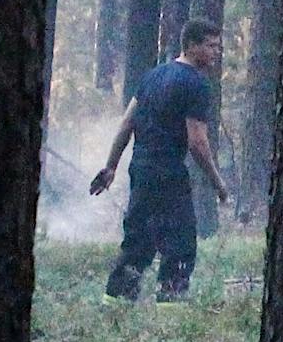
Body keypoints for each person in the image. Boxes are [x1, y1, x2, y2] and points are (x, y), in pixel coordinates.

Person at [92, 18, 230, 301]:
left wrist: (111, 166)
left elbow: (126, 124)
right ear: (191, 45)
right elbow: (197, 142)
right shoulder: (196, 84)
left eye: (218, 46)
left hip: (141, 170)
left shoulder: (153, 76)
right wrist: (218, 183)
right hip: (169, 173)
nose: (217, 52)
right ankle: (171, 305)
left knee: (138, 241)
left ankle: (115, 303)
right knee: (180, 243)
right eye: (211, 46)